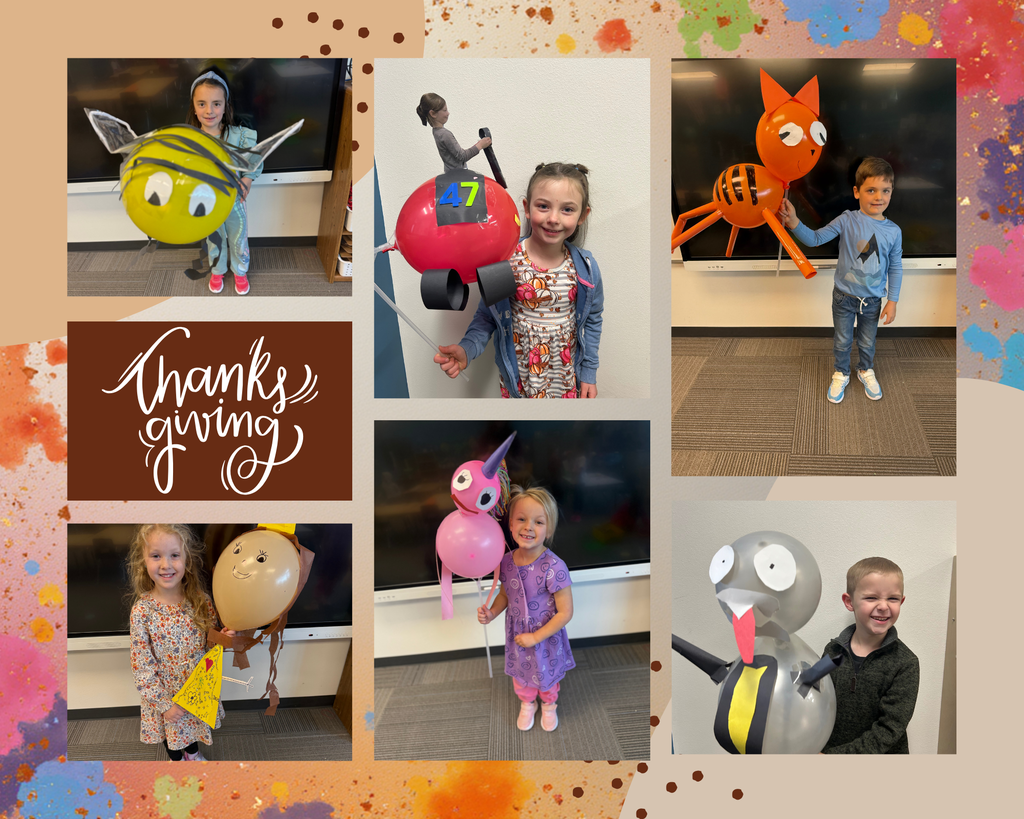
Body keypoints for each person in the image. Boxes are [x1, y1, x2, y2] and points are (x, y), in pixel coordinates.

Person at [434, 162, 604, 398]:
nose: (553, 218)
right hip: (518, 382)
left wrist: (588, 373)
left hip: (566, 380)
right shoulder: (507, 261)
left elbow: (593, 320)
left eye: (567, 209)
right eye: (543, 206)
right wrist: (467, 348)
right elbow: (487, 316)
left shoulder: (585, 269)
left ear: (583, 215)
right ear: (526, 207)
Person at [779, 157, 903, 403]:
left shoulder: (894, 231)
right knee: (843, 340)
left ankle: (865, 370)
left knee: (868, 342)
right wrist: (794, 222)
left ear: (891, 192)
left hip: (873, 301)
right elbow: (815, 239)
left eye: (885, 190)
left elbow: (896, 267)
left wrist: (893, 301)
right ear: (857, 192)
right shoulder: (847, 219)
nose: (879, 197)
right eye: (871, 190)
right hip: (843, 297)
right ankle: (841, 372)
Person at [128, 524, 233, 761]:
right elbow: (142, 667)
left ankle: (193, 755)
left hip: (196, 689)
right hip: (167, 694)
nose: (166, 565)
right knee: (173, 736)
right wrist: (164, 705)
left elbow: (212, 650)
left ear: (187, 560)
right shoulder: (142, 611)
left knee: (192, 730)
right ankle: (177, 762)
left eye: (175, 555)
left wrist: (223, 637)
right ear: (144, 561)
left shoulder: (201, 601)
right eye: (156, 556)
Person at [477, 486, 575, 731]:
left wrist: (536, 637)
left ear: (548, 529)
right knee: (521, 673)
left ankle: (549, 704)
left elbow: (565, 612)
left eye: (538, 522)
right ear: (510, 524)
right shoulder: (505, 560)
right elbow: (505, 594)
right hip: (518, 634)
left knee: (546, 675)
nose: (528, 527)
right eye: (521, 519)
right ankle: (527, 703)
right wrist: (491, 612)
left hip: (544, 636)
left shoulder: (555, 566)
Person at [820, 557, 920, 753]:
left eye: (892, 598)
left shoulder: (906, 663)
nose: (883, 606)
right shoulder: (832, 651)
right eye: (872, 597)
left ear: (901, 601)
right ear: (849, 602)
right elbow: (815, 701)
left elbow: (888, 731)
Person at [188, 69, 260, 295]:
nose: (209, 110)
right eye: (202, 104)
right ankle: (217, 271)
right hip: (208, 203)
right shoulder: (190, 140)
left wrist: (247, 180)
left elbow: (255, 160)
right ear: (194, 107)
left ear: (225, 106)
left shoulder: (239, 136)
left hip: (235, 201)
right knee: (214, 240)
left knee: (238, 238)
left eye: (216, 104)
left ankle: (240, 271)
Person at [415, 92, 491, 173]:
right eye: (445, 110)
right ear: (433, 113)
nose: (448, 113)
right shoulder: (445, 134)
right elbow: (462, 156)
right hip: (458, 177)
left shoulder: (436, 132)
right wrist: (480, 145)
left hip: (450, 174)